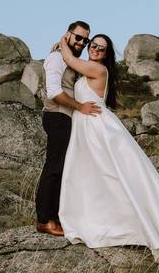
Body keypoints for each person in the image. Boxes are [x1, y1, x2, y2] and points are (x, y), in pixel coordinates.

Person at [53, 32, 159, 273]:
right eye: (93, 46)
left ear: (107, 55)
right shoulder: (89, 69)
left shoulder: (98, 71)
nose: (96, 50)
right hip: (90, 126)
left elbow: (70, 60)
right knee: (95, 176)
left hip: (98, 129)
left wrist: (66, 39)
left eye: (101, 49)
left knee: (111, 176)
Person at [34, 20, 102, 237]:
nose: (82, 42)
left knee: (62, 168)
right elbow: (54, 92)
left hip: (65, 118)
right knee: (54, 168)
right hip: (57, 116)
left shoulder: (67, 58)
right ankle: (44, 219)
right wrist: (80, 107)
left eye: (85, 39)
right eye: (78, 37)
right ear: (68, 35)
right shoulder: (56, 58)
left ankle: (54, 216)